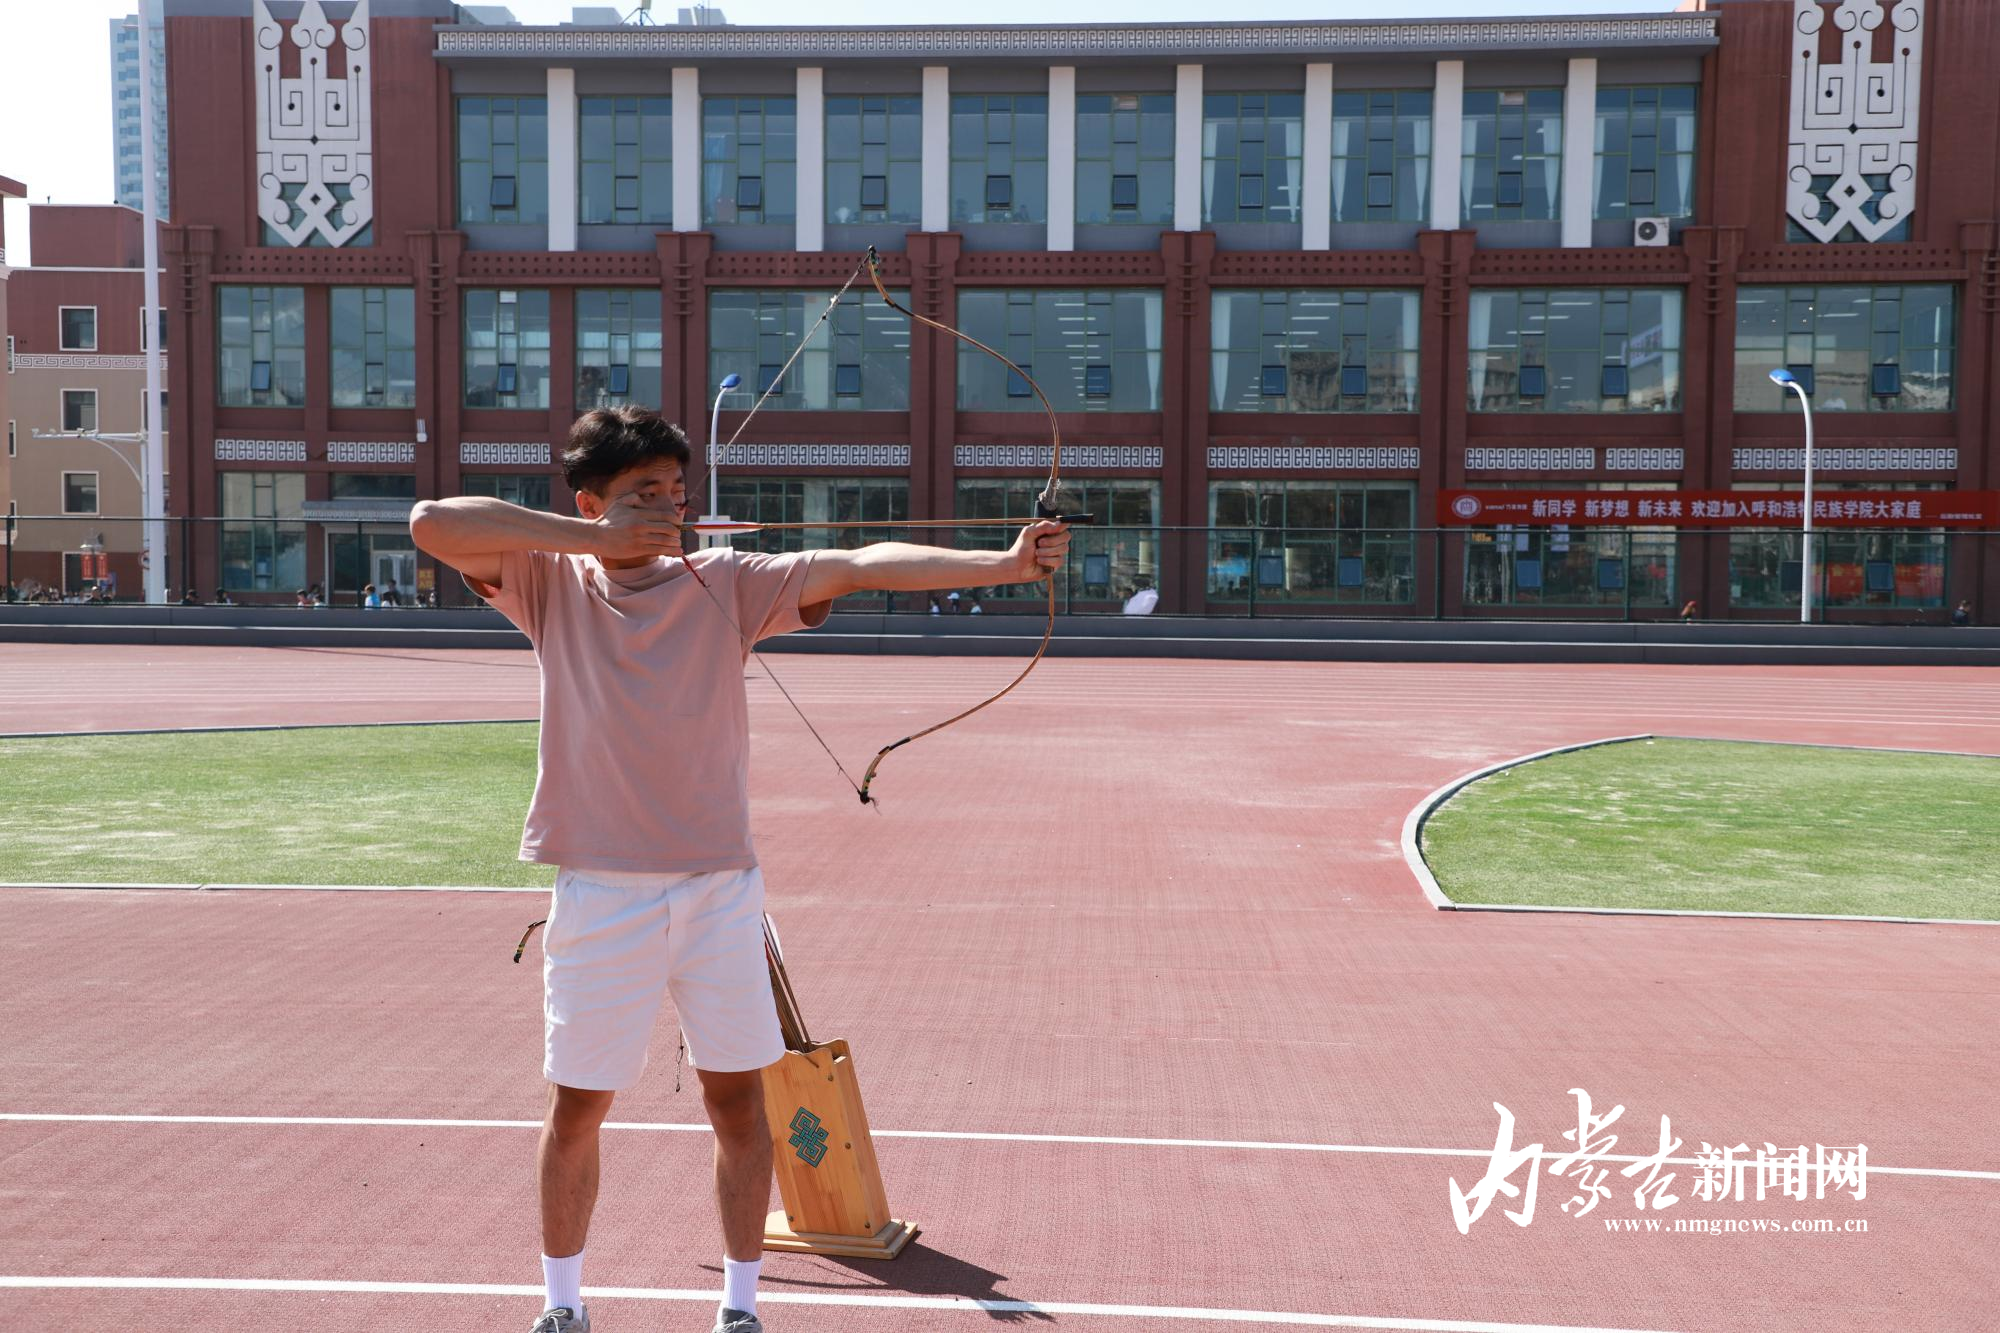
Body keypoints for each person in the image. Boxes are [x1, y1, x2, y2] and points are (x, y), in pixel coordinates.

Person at [409, 407, 1069, 1333]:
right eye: (645, 493)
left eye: (677, 492)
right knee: (578, 1107)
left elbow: (859, 563)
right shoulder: (548, 579)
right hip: (600, 889)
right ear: (592, 501)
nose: (670, 508)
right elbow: (431, 522)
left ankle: (740, 1306)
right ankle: (562, 1303)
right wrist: (594, 540)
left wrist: (1002, 564)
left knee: (737, 1101)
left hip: (719, 888)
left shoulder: (728, 580)